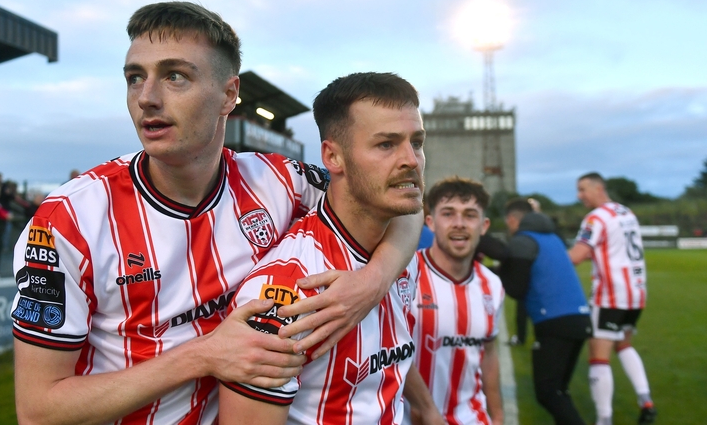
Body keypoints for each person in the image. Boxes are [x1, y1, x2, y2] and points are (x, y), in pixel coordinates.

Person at [10, 2, 421, 425]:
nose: (147, 98)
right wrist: (204, 355)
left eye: (175, 76)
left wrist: (371, 284)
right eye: (135, 77)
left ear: (228, 95)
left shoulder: (276, 182)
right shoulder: (70, 219)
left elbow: (394, 197)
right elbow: (38, 411)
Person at [218, 72, 441, 424]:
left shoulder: (396, 245)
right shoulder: (286, 291)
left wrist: (428, 411)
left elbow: (387, 356)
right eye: (386, 144)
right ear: (333, 157)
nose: (411, 160)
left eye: (417, 142)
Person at [408, 177, 504, 425]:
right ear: (430, 223)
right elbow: (386, 351)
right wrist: (426, 410)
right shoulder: (404, 274)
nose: (459, 224)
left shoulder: (492, 285)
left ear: (484, 225)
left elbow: (489, 355)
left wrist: (499, 417)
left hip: (472, 418)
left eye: (470, 215)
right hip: (407, 418)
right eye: (448, 214)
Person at [568, 172, 656, 425]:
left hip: (610, 296)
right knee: (624, 345)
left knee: (598, 355)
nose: (579, 195)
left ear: (598, 188)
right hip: (636, 293)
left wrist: (545, 261)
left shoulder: (595, 218)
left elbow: (576, 255)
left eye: (583, 189)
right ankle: (646, 401)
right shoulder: (626, 212)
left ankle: (604, 419)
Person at [499, 198, 591, 425]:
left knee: (547, 393)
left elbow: (517, 289)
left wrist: (495, 273)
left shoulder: (523, 241)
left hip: (553, 320)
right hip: (580, 318)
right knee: (559, 390)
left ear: (512, 219)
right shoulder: (553, 238)